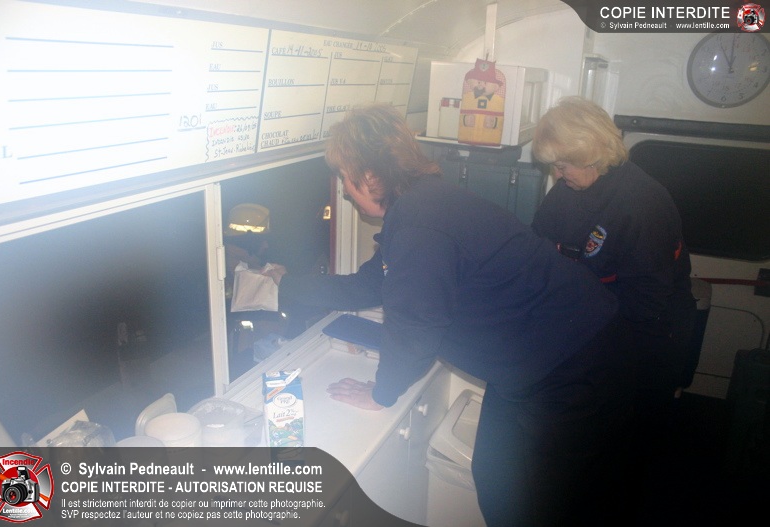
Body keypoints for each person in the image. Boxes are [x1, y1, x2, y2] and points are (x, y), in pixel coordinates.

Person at [273, 103, 635, 526]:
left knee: (539, 503)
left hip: (571, 363)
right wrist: (285, 285)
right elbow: (368, 284)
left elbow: (416, 329)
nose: (345, 191)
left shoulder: (419, 224)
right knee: (497, 478)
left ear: (370, 176)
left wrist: (381, 393)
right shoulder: (420, 205)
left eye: (345, 177)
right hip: (536, 358)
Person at [531, 96, 697, 517]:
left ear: (592, 153)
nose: (557, 174)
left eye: (563, 165)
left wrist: (581, 350)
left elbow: (644, 306)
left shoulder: (642, 204)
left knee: (623, 455)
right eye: (554, 165)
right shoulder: (568, 190)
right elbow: (538, 250)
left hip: (645, 339)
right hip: (598, 324)